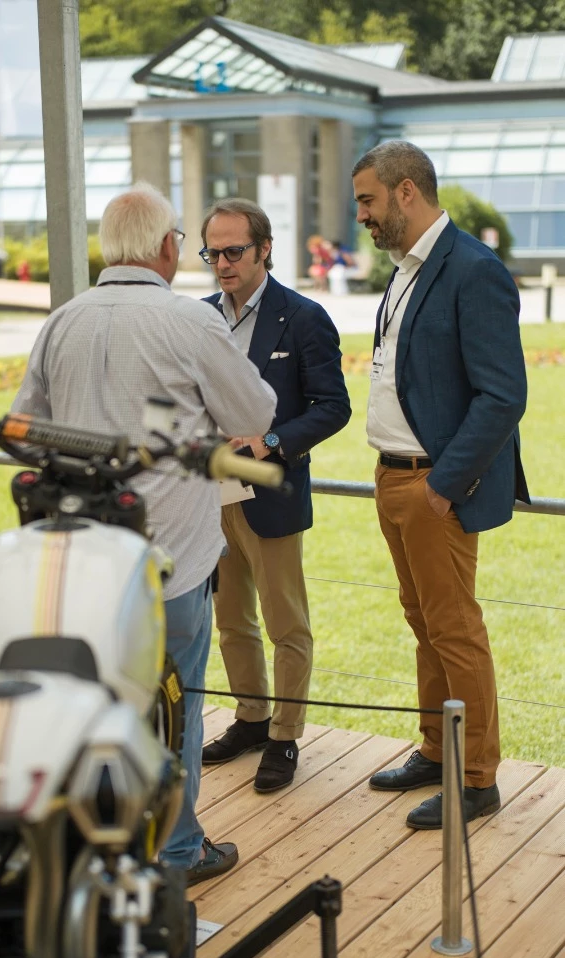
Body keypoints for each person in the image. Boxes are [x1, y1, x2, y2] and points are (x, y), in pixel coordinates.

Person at [12, 183, 277, 884]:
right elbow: (255, 411)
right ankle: (176, 853)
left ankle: (101, 846)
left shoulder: (63, 320)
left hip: (79, 561)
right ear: (166, 247)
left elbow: (23, 432)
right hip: (171, 561)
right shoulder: (191, 322)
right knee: (173, 717)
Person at [352, 140, 529, 829]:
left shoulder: (474, 270)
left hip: (434, 487)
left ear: (406, 191)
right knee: (423, 623)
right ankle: (435, 749)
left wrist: (444, 486)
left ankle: (477, 779)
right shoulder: (404, 268)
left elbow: (503, 395)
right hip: (393, 478)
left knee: (455, 631)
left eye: (367, 200)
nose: (361, 215)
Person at [199, 198, 351, 793]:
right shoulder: (200, 317)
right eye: (213, 253)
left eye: (234, 251)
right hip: (210, 495)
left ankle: (285, 736)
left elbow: (332, 407)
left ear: (265, 249)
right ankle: (252, 719)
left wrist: (270, 442)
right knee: (231, 621)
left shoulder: (304, 317)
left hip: (272, 492)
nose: (222, 263)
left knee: (286, 625)